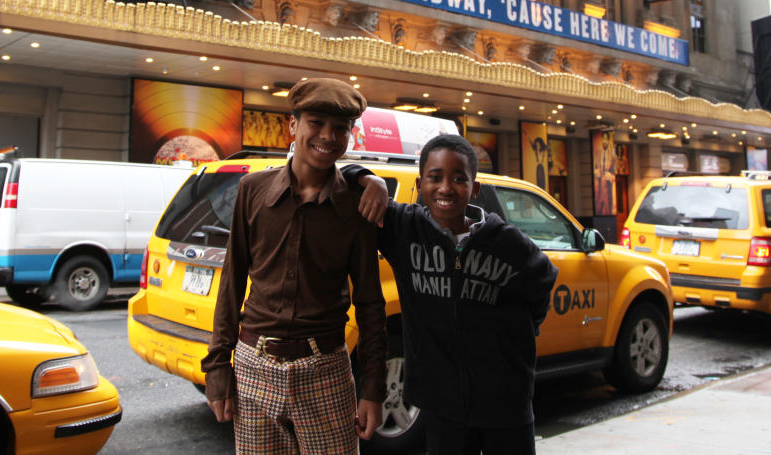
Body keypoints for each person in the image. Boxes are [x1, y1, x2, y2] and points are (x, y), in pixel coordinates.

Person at [201, 78, 387, 455]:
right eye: (316, 123)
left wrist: (373, 389)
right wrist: (218, 365)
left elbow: (370, 303)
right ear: (293, 125)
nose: (328, 136)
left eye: (340, 128)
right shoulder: (252, 191)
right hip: (254, 367)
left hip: (327, 372)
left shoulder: (357, 207)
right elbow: (232, 283)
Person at [349, 134, 558, 455]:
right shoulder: (404, 230)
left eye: (459, 179)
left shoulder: (509, 243)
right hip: (442, 407)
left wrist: (516, 340)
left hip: (506, 405)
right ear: (420, 184)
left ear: (474, 188)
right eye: (435, 177)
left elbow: (542, 284)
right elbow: (339, 181)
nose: (446, 187)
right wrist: (369, 178)